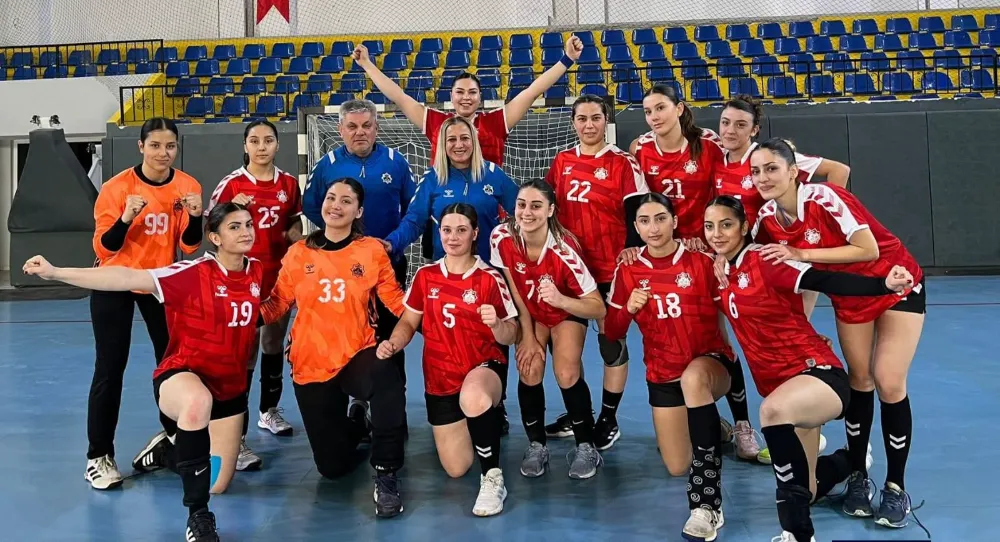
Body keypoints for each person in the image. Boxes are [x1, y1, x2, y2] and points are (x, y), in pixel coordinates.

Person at [25, 202, 263, 542]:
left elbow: (272, 305)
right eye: (235, 227)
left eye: (249, 224)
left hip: (230, 387)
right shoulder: (192, 273)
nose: (246, 232)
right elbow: (126, 276)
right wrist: (56, 272)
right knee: (196, 403)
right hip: (183, 375)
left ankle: (166, 453)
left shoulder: (255, 272)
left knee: (217, 483)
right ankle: (198, 517)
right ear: (215, 237)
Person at [704, 195, 914, 542]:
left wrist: (882, 285)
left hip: (818, 375)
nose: (717, 233)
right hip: (784, 385)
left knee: (772, 412)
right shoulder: (721, 271)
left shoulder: (765, 260)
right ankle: (849, 460)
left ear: (744, 227)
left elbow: (825, 281)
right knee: (809, 488)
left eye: (726, 225)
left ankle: (797, 533)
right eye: (710, 226)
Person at [748, 138, 925, 528]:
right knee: (859, 380)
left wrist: (802, 253)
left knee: (888, 381)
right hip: (850, 297)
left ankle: (896, 486)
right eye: (756, 171)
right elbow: (771, 271)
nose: (763, 177)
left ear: (794, 171)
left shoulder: (825, 197)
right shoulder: (766, 221)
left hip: (896, 282)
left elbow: (867, 250)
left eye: (772, 168)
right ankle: (858, 476)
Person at [259, 178, 408, 518]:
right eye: (331, 198)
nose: (336, 205)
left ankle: (386, 473)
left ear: (359, 211)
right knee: (332, 468)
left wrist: (431, 318)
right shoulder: (299, 253)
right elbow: (277, 303)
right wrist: (240, 314)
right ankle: (358, 421)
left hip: (357, 353)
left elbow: (396, 302)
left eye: (346, 200)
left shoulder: (371, 251)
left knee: (386, 372)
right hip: (312, 361)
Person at [627, 86, 758, 463]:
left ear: (679, 108)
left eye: (661, 108)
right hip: (665, 254)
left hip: (704, 253)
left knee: (716, 338)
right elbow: (638, 204)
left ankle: (744, 425)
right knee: (672, 337)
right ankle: (704, 416)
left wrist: (716, 240)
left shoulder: (709, 144)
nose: (654, 117)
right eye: (648, 110)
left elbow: (729, 188)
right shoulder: (640, 149)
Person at [604, 192, 736, 541]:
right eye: (645, 221)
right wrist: (628, 309)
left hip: (710, 364)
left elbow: (739, 307)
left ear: (675, 221)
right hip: (663, 374)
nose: (654, 228)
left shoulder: (702, 261)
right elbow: (612, 332)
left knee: (694, 379)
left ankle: (706, 504)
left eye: (661, 218)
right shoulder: (628, 269)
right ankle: (714, 426)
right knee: (677, 465)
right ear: (636, 227)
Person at [85, 116, 203, 490]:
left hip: (157, 283)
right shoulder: (117, 188)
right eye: (154, 145)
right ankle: (98, 456)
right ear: (141, 147)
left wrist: (196, 217)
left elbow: (189, 246)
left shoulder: (187, 186)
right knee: (110, 367)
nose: (162, 153)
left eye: (170, 146)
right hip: (115, 281)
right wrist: (125, 217)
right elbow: (104, 248)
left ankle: (173, 436)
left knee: (171, 365)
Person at [377, 203, 518, 516]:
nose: (453, 237)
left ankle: (493, 476)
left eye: (461, 230)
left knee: (474, 397)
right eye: (447, 230)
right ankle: (481, 419)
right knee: (456, 467)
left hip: (483, 367)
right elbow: (408, 321)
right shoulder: (426, 276)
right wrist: (394, 343)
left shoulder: (489, 278)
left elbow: (513, 334)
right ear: (438, 233)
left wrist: (497, 325)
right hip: (440, 378)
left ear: (474, 233)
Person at [383, 116, 519, 430]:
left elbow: (522, 213)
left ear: (474, 141)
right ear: (442, 145)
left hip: (487, 275)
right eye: (451, 139)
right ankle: (449, 400)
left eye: (464, 138)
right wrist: (392, 243)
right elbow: (414, 221)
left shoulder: (493, 175)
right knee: (448, 339)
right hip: (446, 276)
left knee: (492, 335)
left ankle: (493, 402)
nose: (459, 145)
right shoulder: (433, 179)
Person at [303, 98, 417, 433]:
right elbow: (311, 207)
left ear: (376, 127)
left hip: (388, 266)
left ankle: (393, 412)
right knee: (347, 337)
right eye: (352, 126)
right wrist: (344, 242)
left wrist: (392, 243)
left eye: (366, 125)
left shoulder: (396, 162)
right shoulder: (327, 165)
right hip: (342, 272)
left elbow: (414, 212)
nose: (360, 132)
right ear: (340, 129)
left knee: (391, 337)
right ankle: (353, 407)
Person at [541, 95, 649, 450]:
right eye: (582, 118)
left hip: (608, 270)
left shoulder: (622, 163)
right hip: (570, 270)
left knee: (610, 343)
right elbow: (548, 207)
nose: (589, 125)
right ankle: (580, 413)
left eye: (596, 118)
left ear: (606, 121)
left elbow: (637, 214)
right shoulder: (563, 160)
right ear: (573, 122)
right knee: (565, 348)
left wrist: (631, 252)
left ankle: (608, 418)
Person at [489, 180, 607, 479]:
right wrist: (528, 336)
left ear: (551, 210)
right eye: (522, 205)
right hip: (532, 312)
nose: (527, 212)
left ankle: (586, 446)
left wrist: (560, 299)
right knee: (529, 366)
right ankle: (536, 445)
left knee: (566, 372)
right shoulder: (501, 237)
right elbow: (516, 290)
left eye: (536, 206)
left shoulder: (565, 252)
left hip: (567, 310)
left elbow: (598, 307)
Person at [351, 37, 585, 165]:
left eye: (472, 92)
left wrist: (567, 59)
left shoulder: (496, 121)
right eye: (460, 92)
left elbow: (533, 91)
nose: (466, 97)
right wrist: (367, 65)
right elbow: (398, 96)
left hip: (488, 213)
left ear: (480, 97)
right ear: (451, 96)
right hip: (444, 217)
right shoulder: (435, 121)